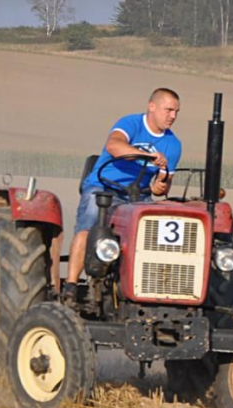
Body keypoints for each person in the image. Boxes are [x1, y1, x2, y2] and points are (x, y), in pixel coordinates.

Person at [62, 88, 182, 304]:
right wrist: (147, 155)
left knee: (153, 233)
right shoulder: (131, 124)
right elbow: (114, 146)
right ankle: (71, 285)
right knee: (89, 224)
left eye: (176, 112)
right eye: (169, 110)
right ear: (152, 107)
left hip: (137, 197)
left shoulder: (173, 145)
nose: (173, 116)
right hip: (103, 187)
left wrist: (160, 187)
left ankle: (148, 287)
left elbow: (164, 184)